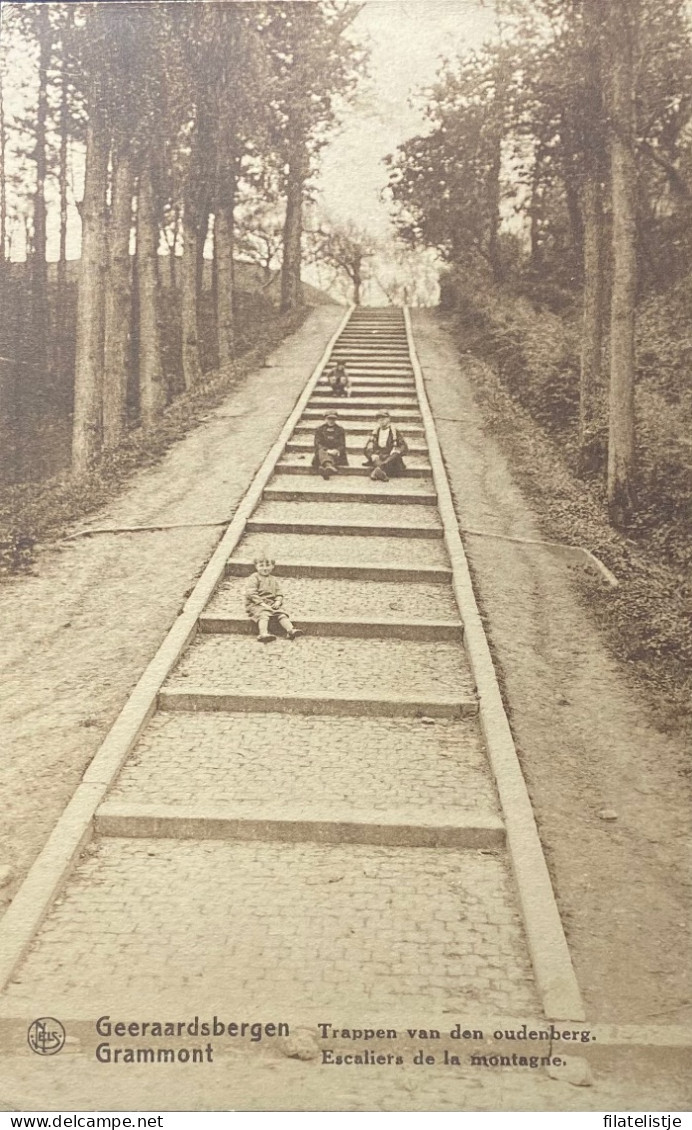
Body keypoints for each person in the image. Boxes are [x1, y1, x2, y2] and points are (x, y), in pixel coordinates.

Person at [244, 554, 303, 643]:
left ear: (272, 566)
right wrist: (262, 604)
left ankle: (290, 630)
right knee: (263, 615)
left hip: (270, 602)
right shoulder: (254, 578)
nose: (265, 568)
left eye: (268, 565)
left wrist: (277, 602)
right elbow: (251, 593)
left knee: (281, 614)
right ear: (256, 566)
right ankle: (263, 633)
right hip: (256, 603)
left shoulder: (273, 579)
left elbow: (279, 593)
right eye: (261, 566)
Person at [363, 410, 409, 481]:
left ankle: (377, 471)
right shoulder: (375, 432)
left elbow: (404, 447)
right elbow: (368, 447)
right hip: (379, 456)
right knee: (375, 456)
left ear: (389, 419)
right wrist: (372, 455)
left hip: (390, 457)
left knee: (394, 455)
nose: (381, 421)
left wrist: (396, 450)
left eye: (384, 418)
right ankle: (381, 472)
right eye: (379, 419)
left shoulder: (394, 432)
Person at [312, 410, 348, 479]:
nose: (331, 421)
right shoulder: (320, 429)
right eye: (329, 418)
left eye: (333, 419)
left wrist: (337, 450)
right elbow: (317, 444)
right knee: (321, 451)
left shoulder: (340, 430)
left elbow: (342, 444)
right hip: (323, 452)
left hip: (335, 453)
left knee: (332, 456)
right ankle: (328, 466)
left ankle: (325, 468)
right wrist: (327, 450)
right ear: (325, 419)